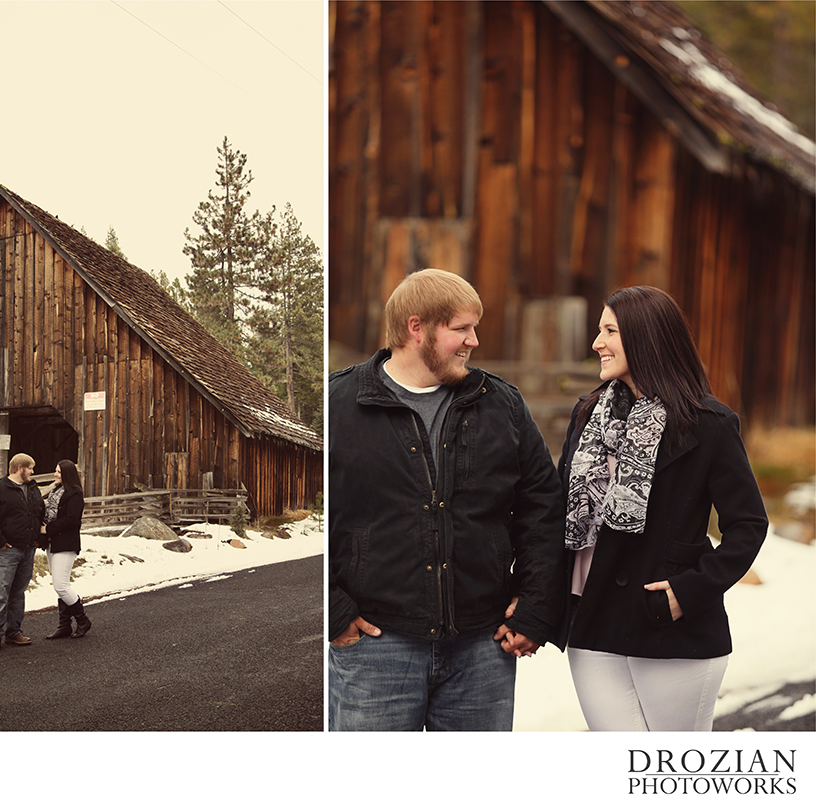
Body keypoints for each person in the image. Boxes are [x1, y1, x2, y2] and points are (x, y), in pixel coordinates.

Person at [328, 268, 565, 731]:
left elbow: (542, 507)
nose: (474, 341)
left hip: (482, 648)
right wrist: (334, 610)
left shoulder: (501, 404)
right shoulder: (340, 403)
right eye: (461, 328)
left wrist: (536, 606)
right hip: (375, 649)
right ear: (417, 328)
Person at [557, 286, 768, 731]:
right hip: (592, 622)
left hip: (669, 626)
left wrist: (687, 592)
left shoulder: (709, 424)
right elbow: (556, 512)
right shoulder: (587, 416)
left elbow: (747, 524)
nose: (597, 343)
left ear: (646, 336)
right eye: (599, 330)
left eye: (609, 330)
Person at [0, 453, 45, 652]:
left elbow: (40, 513)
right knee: (0, 592)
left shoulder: (33, 489)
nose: (33, 472)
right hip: (6, 551)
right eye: (30, 468)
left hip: (27, 549)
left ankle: (13, 631)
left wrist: (38, 537)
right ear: (19, 468)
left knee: (18, 593)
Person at [39, 459, 92, 639]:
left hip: (66, 543)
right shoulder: (55, 492)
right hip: (52, 543)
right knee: (60, 585)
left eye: (59, 472)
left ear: (67, 474)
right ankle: (64, 626)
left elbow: (72, 520)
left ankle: (83, 620)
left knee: (61, 586)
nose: (55, 474)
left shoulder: (74, 494)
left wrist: (49, 528)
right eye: (55, 471)